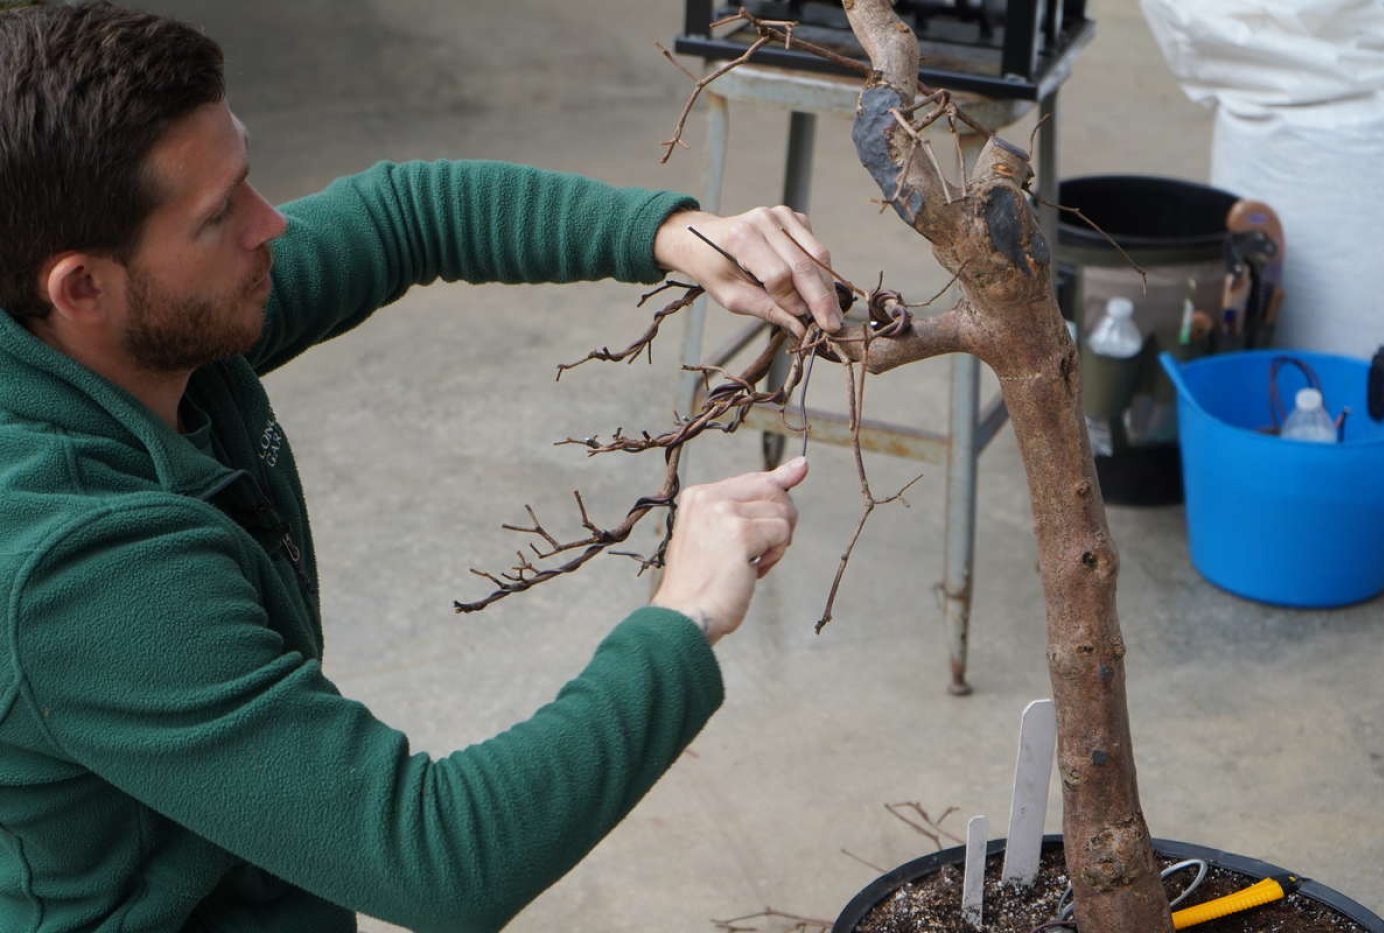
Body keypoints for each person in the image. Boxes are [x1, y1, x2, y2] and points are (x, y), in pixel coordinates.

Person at [0, 3, 845, 930]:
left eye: (245, 176)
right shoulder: (83, 573)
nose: (272, 222)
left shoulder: (129, 332)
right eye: (219, 216)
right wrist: (685, 615)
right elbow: (439, 858)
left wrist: (675, 235)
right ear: (81, 287)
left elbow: (407, 214)